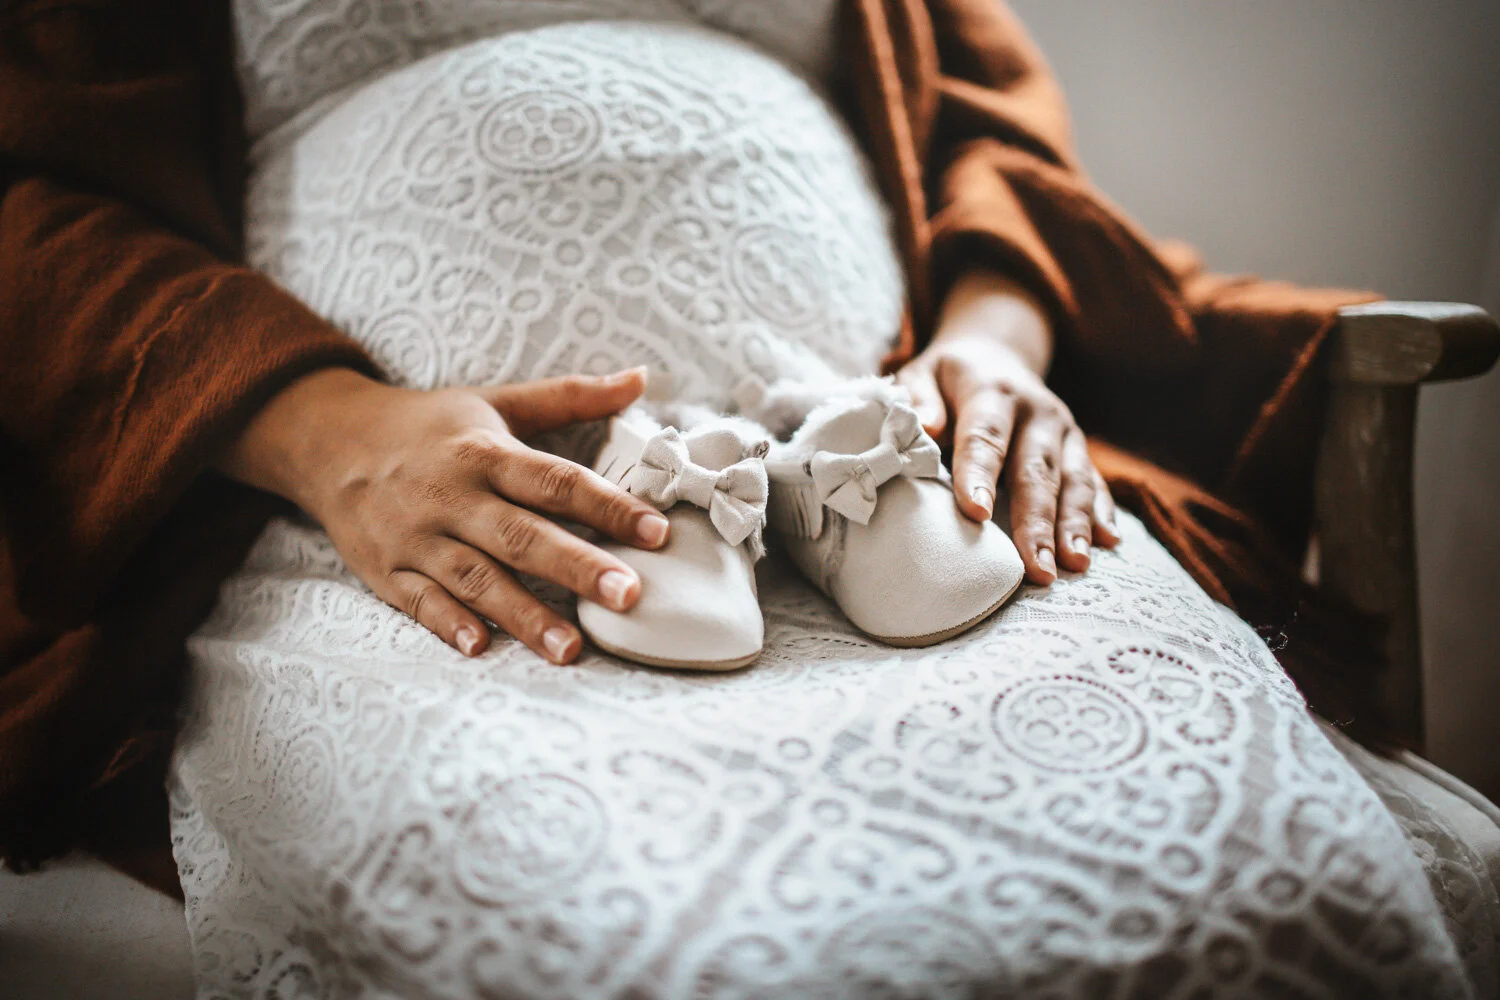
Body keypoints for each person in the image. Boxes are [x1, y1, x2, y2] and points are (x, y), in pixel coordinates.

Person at [1, 1, 1467, 996]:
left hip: (893, 454)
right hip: (387, 517)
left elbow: (986, 134)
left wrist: (990, 347)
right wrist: (331, 437)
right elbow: (34, 198)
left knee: (1255, 886)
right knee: (631, 945)